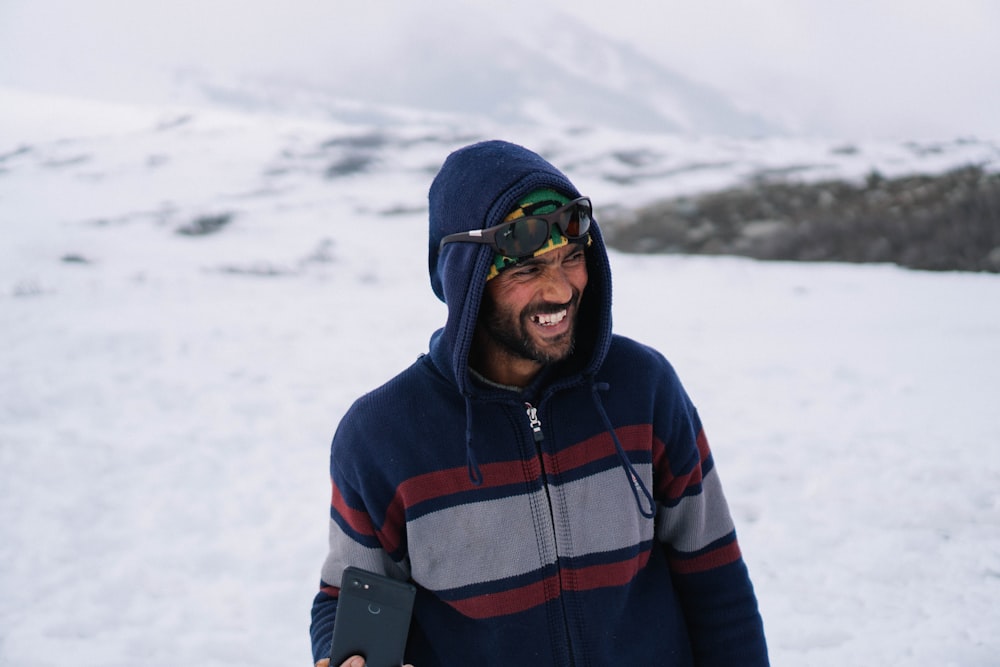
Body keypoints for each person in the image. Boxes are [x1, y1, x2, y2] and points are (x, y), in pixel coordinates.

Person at [310, 140, 769, 666]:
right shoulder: (383, 435)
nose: (560, 290)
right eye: (527, 270)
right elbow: (347, 600)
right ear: (465, 282)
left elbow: (716, 582)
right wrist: (344, 657)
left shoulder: (643, 390)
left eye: (572, 258)